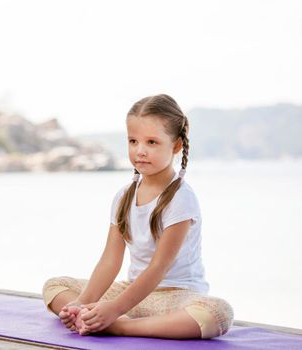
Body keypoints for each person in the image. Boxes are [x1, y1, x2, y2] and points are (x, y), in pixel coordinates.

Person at [42, 94, 234, 339]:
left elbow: (158, 269)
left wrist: (113, 311)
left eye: (152, 142)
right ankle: (93, 317)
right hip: (133, 295)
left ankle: (119, 326)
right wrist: (80, 304)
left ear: (176, 146)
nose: (140, 151)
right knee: (55, 286)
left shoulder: (181, 198)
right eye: (133, 141)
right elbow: (110, 261)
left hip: (174, 296)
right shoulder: (124, 196)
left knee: (218, 313)